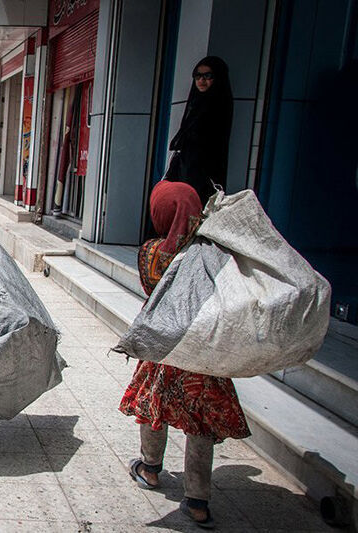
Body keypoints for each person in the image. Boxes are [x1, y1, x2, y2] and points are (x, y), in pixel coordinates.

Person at [119, 179, 250, 529]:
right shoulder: (215, 256)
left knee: (152, 407)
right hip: (204, 354)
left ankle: (150, 468)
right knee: (201, 423)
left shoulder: (152, 253)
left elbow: (152, 291)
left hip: (165, 350)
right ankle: (197, 502)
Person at [165, 56, 233, 204]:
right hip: (187, 170)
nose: (201, 81)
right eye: (198, 76)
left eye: (207, 76)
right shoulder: (195, 104)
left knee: (197, 209)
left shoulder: (218, 106)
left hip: (205, 174)